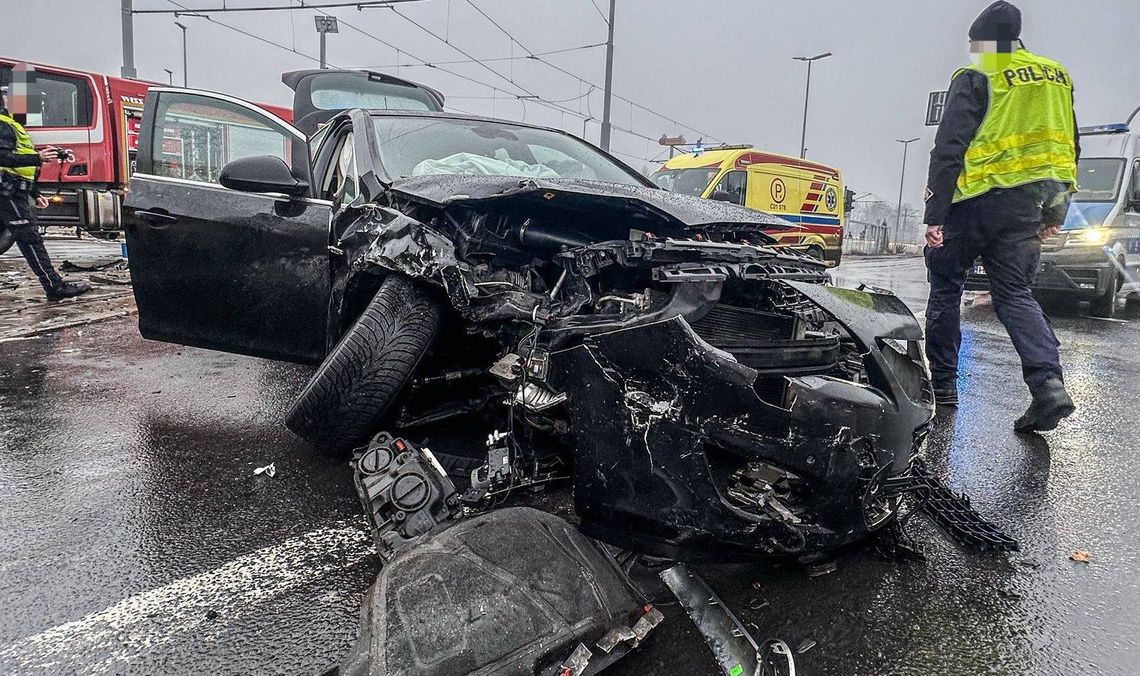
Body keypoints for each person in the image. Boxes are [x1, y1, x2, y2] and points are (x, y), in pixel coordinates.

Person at [922, 0, 1077, 432]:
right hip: (1027, 206)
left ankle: (944, 388)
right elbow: (1066, 149)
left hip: (972, 202)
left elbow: (949, 147)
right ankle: (1048, 387)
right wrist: (1055, 211)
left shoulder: (977, 74)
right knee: (1015, 295)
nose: (974, 52)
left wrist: (935, 213)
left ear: (987, 42)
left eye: (976, 45)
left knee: (946, 286)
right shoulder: (1056, 77)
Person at [0, 86, 92, 301]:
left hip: (13, 190)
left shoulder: (12, 125)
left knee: (10, 239)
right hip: (7, 192)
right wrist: (38, 157)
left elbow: (19, 166)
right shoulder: (3, 124)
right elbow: (3, 159)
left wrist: (34, 191)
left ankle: (54, 285)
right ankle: (54, 286)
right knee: (30, 238)